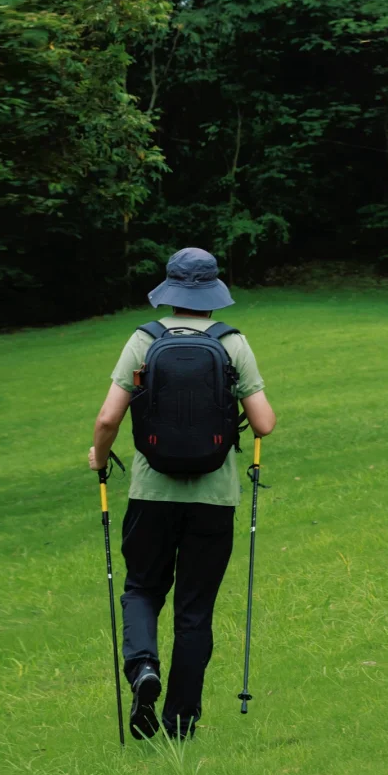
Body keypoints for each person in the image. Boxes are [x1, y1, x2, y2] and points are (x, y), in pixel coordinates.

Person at [88, 247, 276, 740]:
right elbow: (264, 423)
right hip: (214, 500)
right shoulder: (232, 344)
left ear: (169, 291)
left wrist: (100, 458)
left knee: (142, 588)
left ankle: (143, 667)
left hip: (152, 494)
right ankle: (179, 722)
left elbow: (108, 418)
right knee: (195, 610)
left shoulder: (144, 341)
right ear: (213, 294)